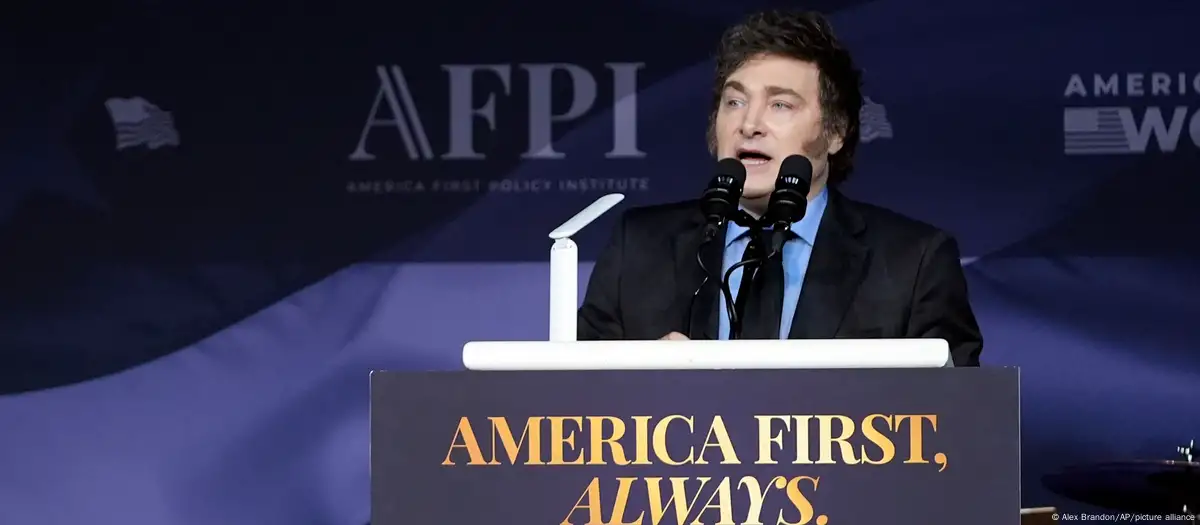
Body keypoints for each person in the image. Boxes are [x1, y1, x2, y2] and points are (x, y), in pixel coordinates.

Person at [576, 9, 983, 367]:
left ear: (836, 131)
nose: (749, 124)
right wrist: (638, 385)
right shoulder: (639, 248)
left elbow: (960, 426)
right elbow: (569, 409)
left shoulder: (913, 263)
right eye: (734, 102)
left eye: (781, 105)